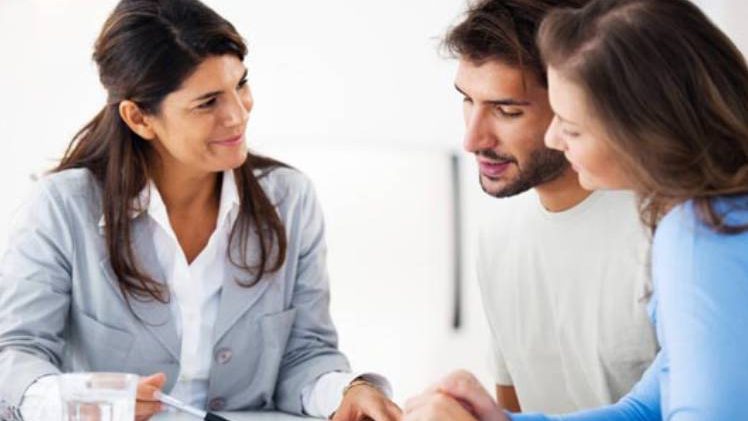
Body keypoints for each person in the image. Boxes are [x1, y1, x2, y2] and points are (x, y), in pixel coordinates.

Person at [0, 1, 401, 420]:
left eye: (240, 85)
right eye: (208, 102)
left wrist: (346, 392)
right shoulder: (62, 207)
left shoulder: (290, 199)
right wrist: (85, 401)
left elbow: (304, 355)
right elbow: (15, 355)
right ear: (139, 118)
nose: (237, 115)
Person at [404, 0, 748, 420]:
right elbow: (643, 408)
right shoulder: (702, 218)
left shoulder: (696, 233)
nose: (556, 138)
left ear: (638, 127)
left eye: (570, 125)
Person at [442, 0, 656, 413]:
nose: (472, 139)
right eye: (467, 100)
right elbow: (511, 410)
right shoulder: (498, 237)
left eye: (507, 111)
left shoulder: (667, 228)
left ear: (575, 101)